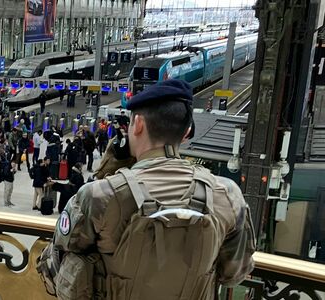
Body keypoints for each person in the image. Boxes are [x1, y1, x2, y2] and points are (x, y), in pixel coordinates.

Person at [41, 79, 255, 299]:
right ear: (186, 132)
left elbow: (54, 265)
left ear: (139, 124)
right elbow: (234, 274)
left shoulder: (99, 195)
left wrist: (107, 173)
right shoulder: (228, 194)